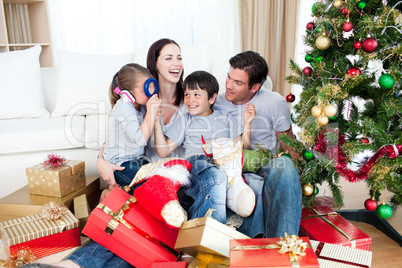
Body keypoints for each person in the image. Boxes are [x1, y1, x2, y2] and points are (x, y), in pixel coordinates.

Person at [213, 51, 302, 238]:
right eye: (229, 77)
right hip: (232, 166)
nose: (228, 86)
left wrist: (300, 171)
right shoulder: (216, 102)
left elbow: (289, 145)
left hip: (265, 164)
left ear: (254, 87)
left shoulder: (275, 102)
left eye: (238, 83)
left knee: (285, 165)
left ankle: (285, 247)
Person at [154, 70, 256, 223]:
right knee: (216, 176)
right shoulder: (185, 120)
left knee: (254, 185)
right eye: (187, 94)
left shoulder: (226, 119)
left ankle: (253, 238)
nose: (190, 100)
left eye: (196, 94)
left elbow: (242, 149)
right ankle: (207, 236)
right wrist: (155, 122)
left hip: (223, 165)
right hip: (197, 164)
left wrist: (248, 124)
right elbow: (163, 151)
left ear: (212, 98)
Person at [96, 38, 187, 191]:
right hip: (146, 173)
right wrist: (100, 161)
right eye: (169, 58)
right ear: (155, 65)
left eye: (179, 58)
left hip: (174, 175)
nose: (176, 63)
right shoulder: (142, 103)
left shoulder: (191, 100)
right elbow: (116, 139)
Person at [100, 63, 161, 198]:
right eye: (145, 89)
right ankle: (108, 195)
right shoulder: (124, 107)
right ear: (129, 94)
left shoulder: (142, 106)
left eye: (152, 86)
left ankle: (113, 194)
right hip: (119, 164)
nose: (151, 92)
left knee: (155, 179)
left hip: (137, 160)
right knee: (146, 189)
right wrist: (150, 113)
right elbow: (140, 140)